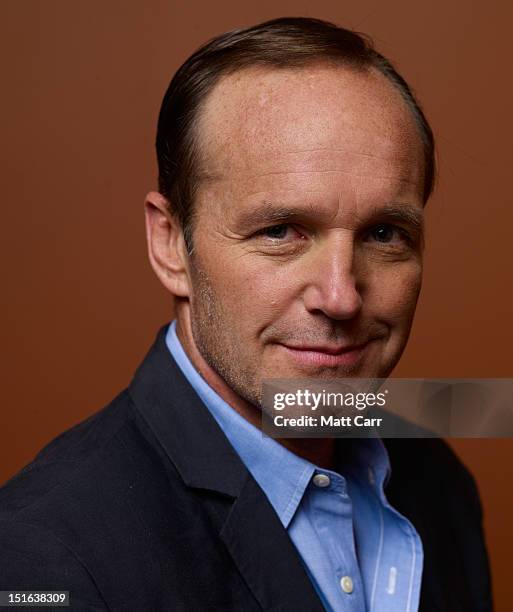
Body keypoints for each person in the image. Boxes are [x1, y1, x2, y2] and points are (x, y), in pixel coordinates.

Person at [0, 17, 492, 612]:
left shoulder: (436, 480)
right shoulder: (44, 560)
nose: (340, 297)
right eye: (280, 231)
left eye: (384, 233)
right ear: (170, 245)